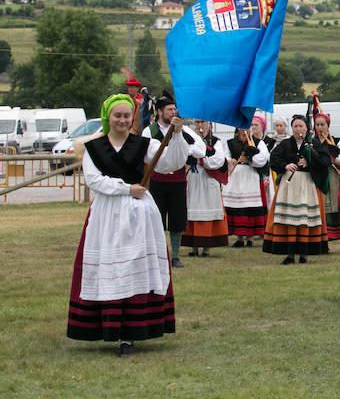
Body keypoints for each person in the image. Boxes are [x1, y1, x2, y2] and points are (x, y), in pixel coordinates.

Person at [68, 94, 190, 356]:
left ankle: (130, 333)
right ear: (108, 117)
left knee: (135, 267)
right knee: (111, 269)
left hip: (139, 217)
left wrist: (178, 136)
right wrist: (127, 188)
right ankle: (107, 327)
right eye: (118, 116)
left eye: (126, 116)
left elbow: (172, 162)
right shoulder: (93, 148)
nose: (122, 120)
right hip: (107, 215)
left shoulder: (143, 144)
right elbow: (94, 180)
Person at [142, 91, 206, 269]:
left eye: (174, 109)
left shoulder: (184, 130)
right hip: (157, 181)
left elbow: (201, 149)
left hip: (178, 180)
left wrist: (183, 149)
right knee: (156, 219)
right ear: (160, 112)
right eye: (169, 109)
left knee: (177, 220)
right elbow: (147, 153)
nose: (173, 112)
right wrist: (172, 151)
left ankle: (175, 256)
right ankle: (158, 255)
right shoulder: (150, 131)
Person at [264, 115, 331, 264]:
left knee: (304, 219)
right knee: (289, 220)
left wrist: (310, 161)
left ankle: (304, 255)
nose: (298, 129)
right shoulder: (286, 144)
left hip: (307, 185)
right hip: (289, 186)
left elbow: (326, 160)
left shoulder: (314, 143)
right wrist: (285, 166)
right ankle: (290, 255)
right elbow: (273, 159)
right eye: (295, 126)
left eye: (301, 126)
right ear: (292, 128)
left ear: (307, 128)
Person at [183, 119, 229, 258]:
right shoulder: (189, 139)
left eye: (202, 122)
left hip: (208, 180)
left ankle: (206, 248)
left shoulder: (215, 141)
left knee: (207, 209)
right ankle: (194, 246)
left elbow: (218, 161)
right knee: (192, 209)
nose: (199, 125)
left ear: (208, 124)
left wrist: (202, 160)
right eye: (197, 123)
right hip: (193, 177)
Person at [222, 128, 271, 247]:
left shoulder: (258, 142)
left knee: (250, 207)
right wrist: (230, 160)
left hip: (251, 177)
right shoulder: (231, 142)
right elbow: (225, 156)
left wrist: (249, 159)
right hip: (236, 178)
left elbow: (263, 158)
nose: (244, 130)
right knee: (237, 206)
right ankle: (239, 238)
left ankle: (250, 238)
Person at [314, 113, 340, 240]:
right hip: (315, 175)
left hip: (330, 175)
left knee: (331, 200)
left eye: (322, 124)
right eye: (317, 125)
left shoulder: (336, 141)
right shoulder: (311, 141)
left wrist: (332, 159)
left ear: (327, 126)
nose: (320, 127)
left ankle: (333, 232)